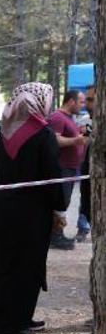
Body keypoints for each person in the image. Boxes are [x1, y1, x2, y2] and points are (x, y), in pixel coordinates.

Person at [0, 82, 66, 334]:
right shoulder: (43, 134)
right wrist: (60, 208)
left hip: (3, 207)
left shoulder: (5, 132)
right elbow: (53, 175)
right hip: (33, 212)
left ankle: (16, 318)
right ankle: (8, 328)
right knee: (27, 265)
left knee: (4, 263)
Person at [48, 90, 90, 250]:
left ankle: (56, 234)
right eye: (81, 102)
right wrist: (76, 140)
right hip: (62, 167)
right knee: (60, 202)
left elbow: (81, 135)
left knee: (63, 202)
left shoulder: (70, 118)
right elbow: (55, 140)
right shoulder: (57, 117)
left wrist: (88, 129)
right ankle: (55, 236)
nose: (83, 105)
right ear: (71, 101)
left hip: (70, 168)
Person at [76, 85, 95, 242]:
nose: (86, 104)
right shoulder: (85, 120)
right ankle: (83, 227)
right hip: (87, 169)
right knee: (85, 200)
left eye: (90, 100)